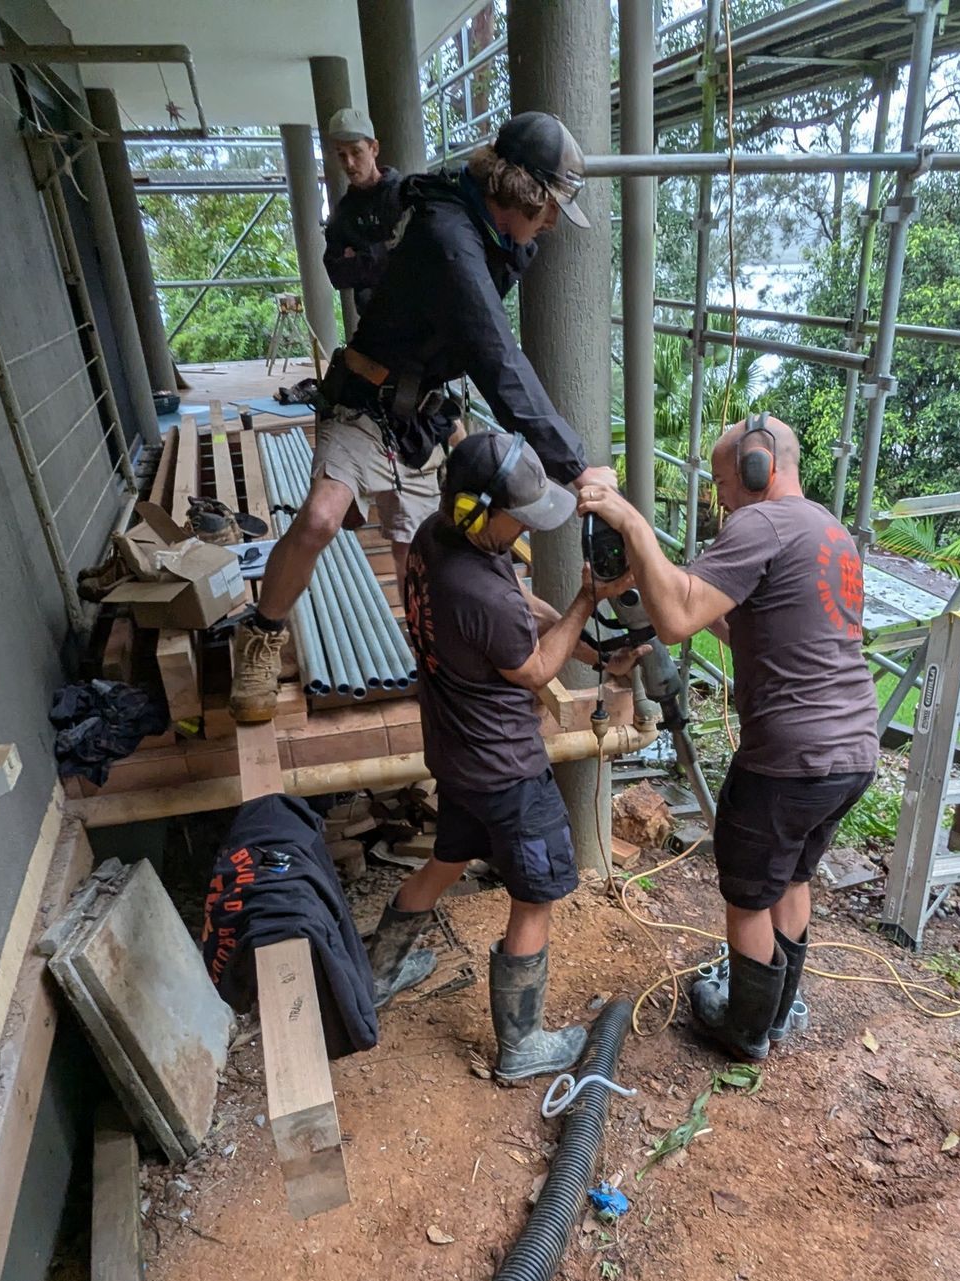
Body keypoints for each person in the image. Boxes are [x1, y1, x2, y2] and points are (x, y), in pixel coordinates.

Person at [229, 110, 616, 724]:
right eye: (547, 210)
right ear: (524, 194)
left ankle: (438, 663)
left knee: (423, 559)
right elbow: (496, 354)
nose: (548, 225)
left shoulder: (499, 237)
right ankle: (260, 632)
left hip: (420, 413)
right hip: (362, 398)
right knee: (321, 519)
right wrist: (576, 466)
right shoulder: (447, 234)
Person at [576, 415, 881, 1060]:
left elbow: (683, 613)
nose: (719, 500)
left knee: (745, 894)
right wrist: (648, 607)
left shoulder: (760, 522)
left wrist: (632, 525)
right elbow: (746, 621)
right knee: (790, 878)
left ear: (757, 468)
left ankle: (744, 1031)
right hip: (850, 751)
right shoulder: (830, 532)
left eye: (722, 482)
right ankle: (780, 1010)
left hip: (787, 758)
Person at [364, 430, 644, 1081]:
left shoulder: (438, 538)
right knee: (533, 899)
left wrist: (597, 652)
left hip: (457, 754)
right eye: (517, 516)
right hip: (507, 773)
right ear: (475, 510)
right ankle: (520, 1048)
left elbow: (523, 612)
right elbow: (533, 661)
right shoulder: (476, 588)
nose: (526, 526)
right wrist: (589, 601)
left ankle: (383, 969)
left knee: (445, 858)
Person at [319, 107, 403, 314]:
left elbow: (417, 259)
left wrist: (359, 257)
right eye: (341, 155)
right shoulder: (343, 213)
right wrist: (386, 248)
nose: (349, 163)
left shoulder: (404, 195)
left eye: (356, 152)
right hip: (374, 325)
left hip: (419, 324)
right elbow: (336, 274)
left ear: (374, 149)